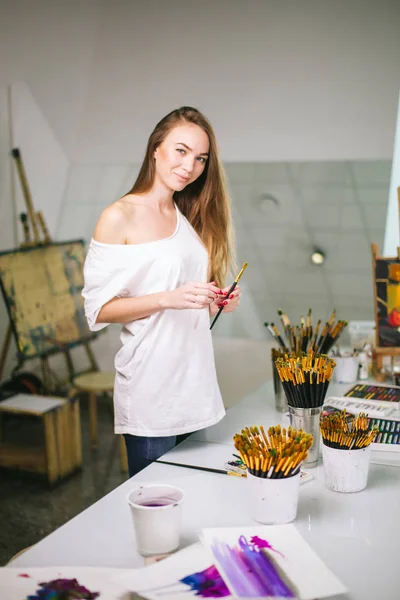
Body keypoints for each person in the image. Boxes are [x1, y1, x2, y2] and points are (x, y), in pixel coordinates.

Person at [82, 106, 241, 477]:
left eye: (201, 158)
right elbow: (98, 309)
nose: (190, 166)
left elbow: (185, 296)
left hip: (195, 387)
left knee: (195, 507)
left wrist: (214, 300)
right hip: (152, 394)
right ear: (156, 149)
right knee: (158, 513)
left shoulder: (184, 215)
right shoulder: (119, 216)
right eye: (181, 151)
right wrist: (167, 298)